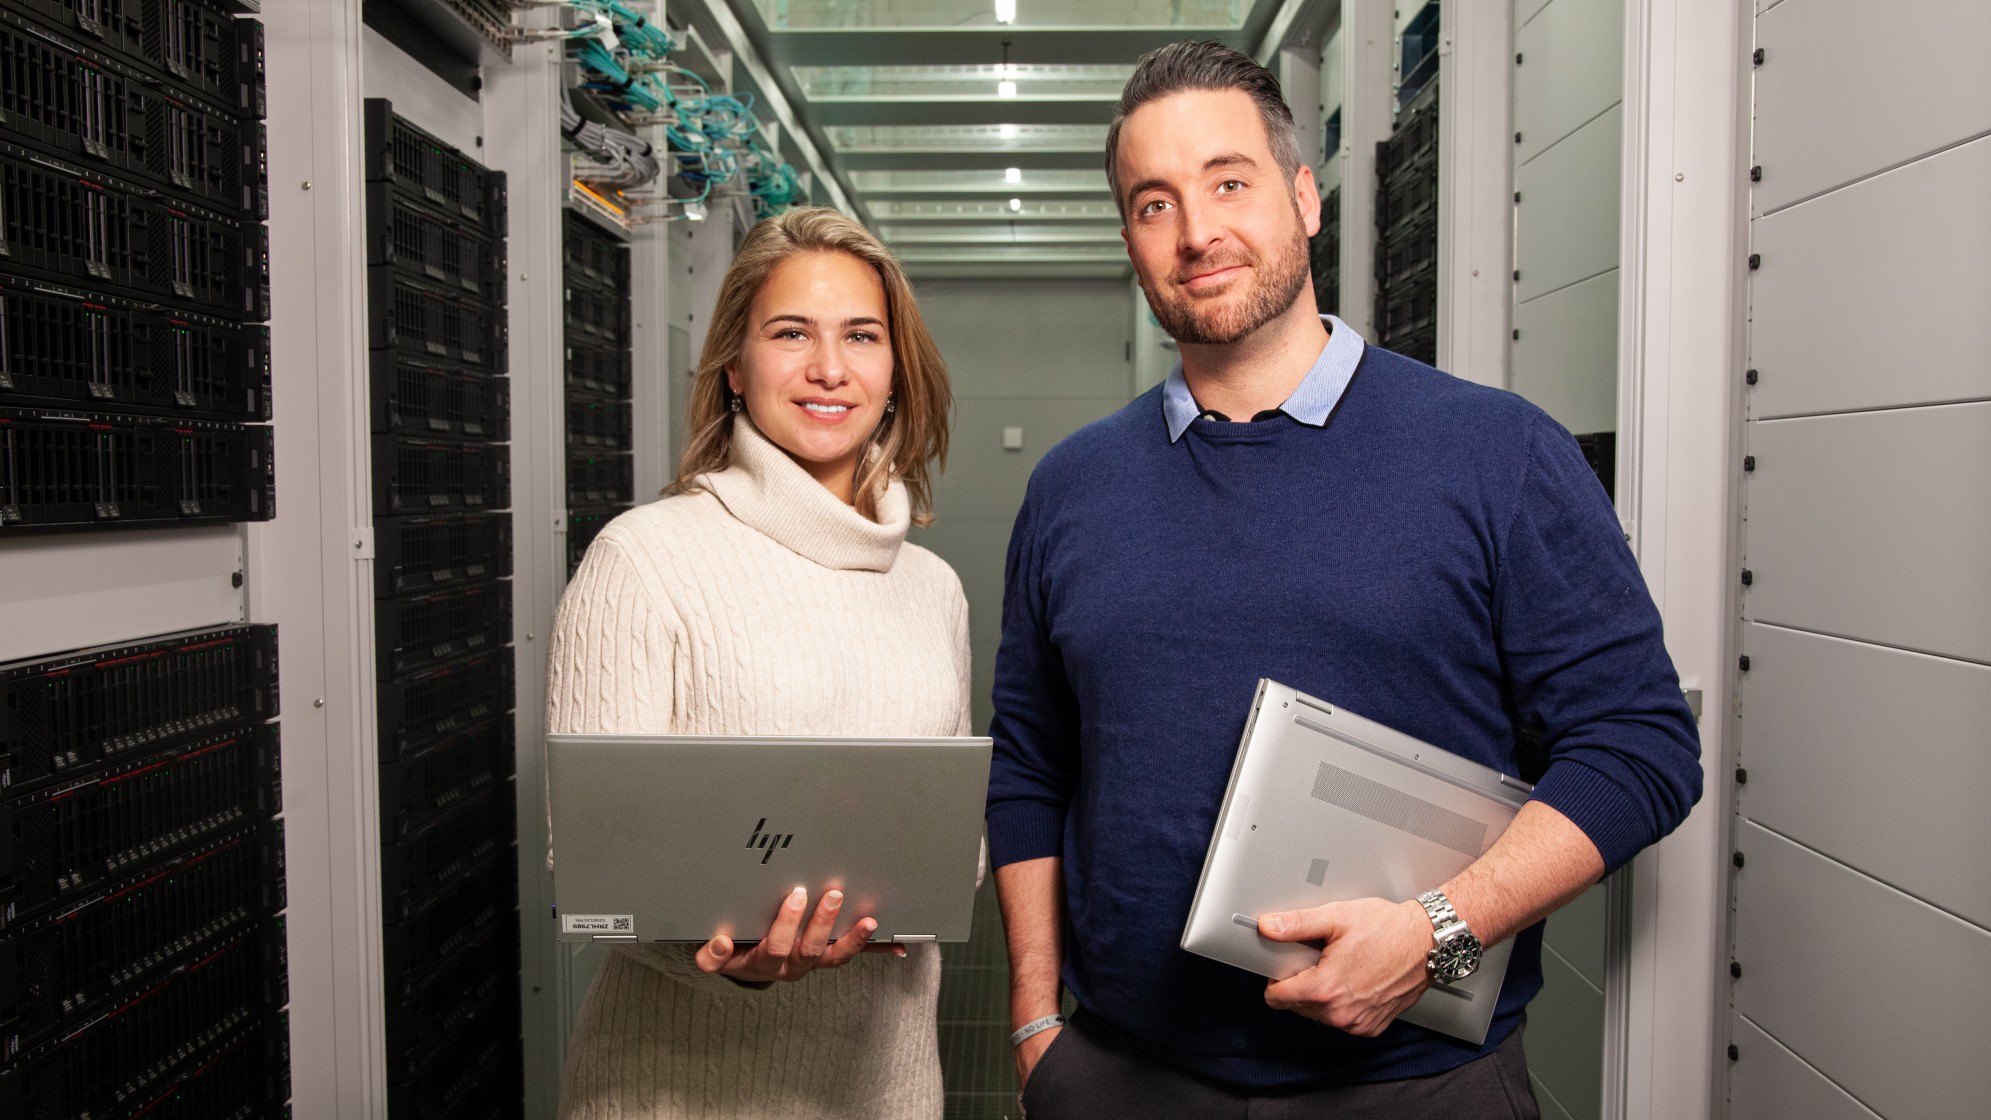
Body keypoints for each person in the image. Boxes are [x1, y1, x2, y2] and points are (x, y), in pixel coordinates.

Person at [987, 41, 1703, 1118]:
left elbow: (1640, 746)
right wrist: (1038, 1022)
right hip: (1121, 1075)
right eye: (1152, 203)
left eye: (1228, 181)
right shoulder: (1069, 489)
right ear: (1129, 239)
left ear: (1304, 199)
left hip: (1418, 1086)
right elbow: (1032, 767)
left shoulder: (1495, 453)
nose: (1195, 232)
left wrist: (1439, 928)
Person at [547, 207, 968, 1120]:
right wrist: (733, 958)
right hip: (675, 1090)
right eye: (790, 334)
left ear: (895, 373)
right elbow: (586, 868)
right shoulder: (642, 558)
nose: (828, 368)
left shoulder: (932, 588)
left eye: (861, 335)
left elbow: (939, 826)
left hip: (884, 1085)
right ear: (735, 368)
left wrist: (937, 871)